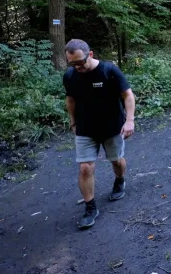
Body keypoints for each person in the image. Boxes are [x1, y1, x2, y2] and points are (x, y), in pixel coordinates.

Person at [63, 39, 136, 230]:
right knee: (85, 168)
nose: (77, 67)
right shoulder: (70, 76)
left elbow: (128, 95)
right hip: (85, 128)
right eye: (72, 64)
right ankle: (90, 207)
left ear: (91, 54)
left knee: (116, 160)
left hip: (112, 126)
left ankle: (120, 181)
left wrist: (129, 121)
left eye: (80, 62)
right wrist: (72, 121)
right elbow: (70, 100)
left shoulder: (108, 71)